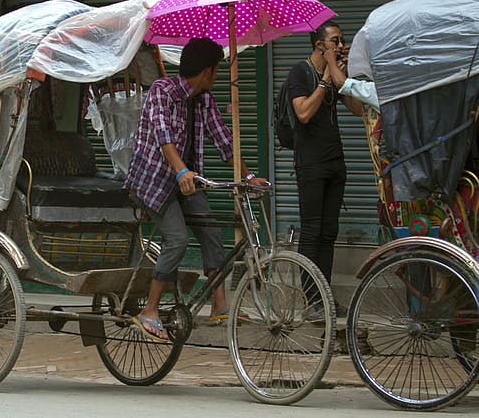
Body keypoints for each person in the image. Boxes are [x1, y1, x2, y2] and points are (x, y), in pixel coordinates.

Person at [125, 37, 268, 341]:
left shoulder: (204, 99)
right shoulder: (162, 92)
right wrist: (181, 171)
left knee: (212, 231)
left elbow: (225, 142)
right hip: (153, 181)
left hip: (187, 182)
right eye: (218, 69)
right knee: (177, 239)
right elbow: (163, 137)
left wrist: (249, 176)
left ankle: (219, 305)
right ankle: (149, 310)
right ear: (209, 71)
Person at [286, 21, 363, 318]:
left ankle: (325, 298)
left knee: (329, 232)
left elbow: (357, 110)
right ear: (320, 44)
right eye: (335, 40)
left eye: (342, 39)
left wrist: (343, 76)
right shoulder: (300, 72)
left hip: (335, 162)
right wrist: (324, 80)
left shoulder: (333, 74)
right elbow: (303, 112)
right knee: (312, 230)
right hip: (311, 164)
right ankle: (311, 302)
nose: (340, 44)